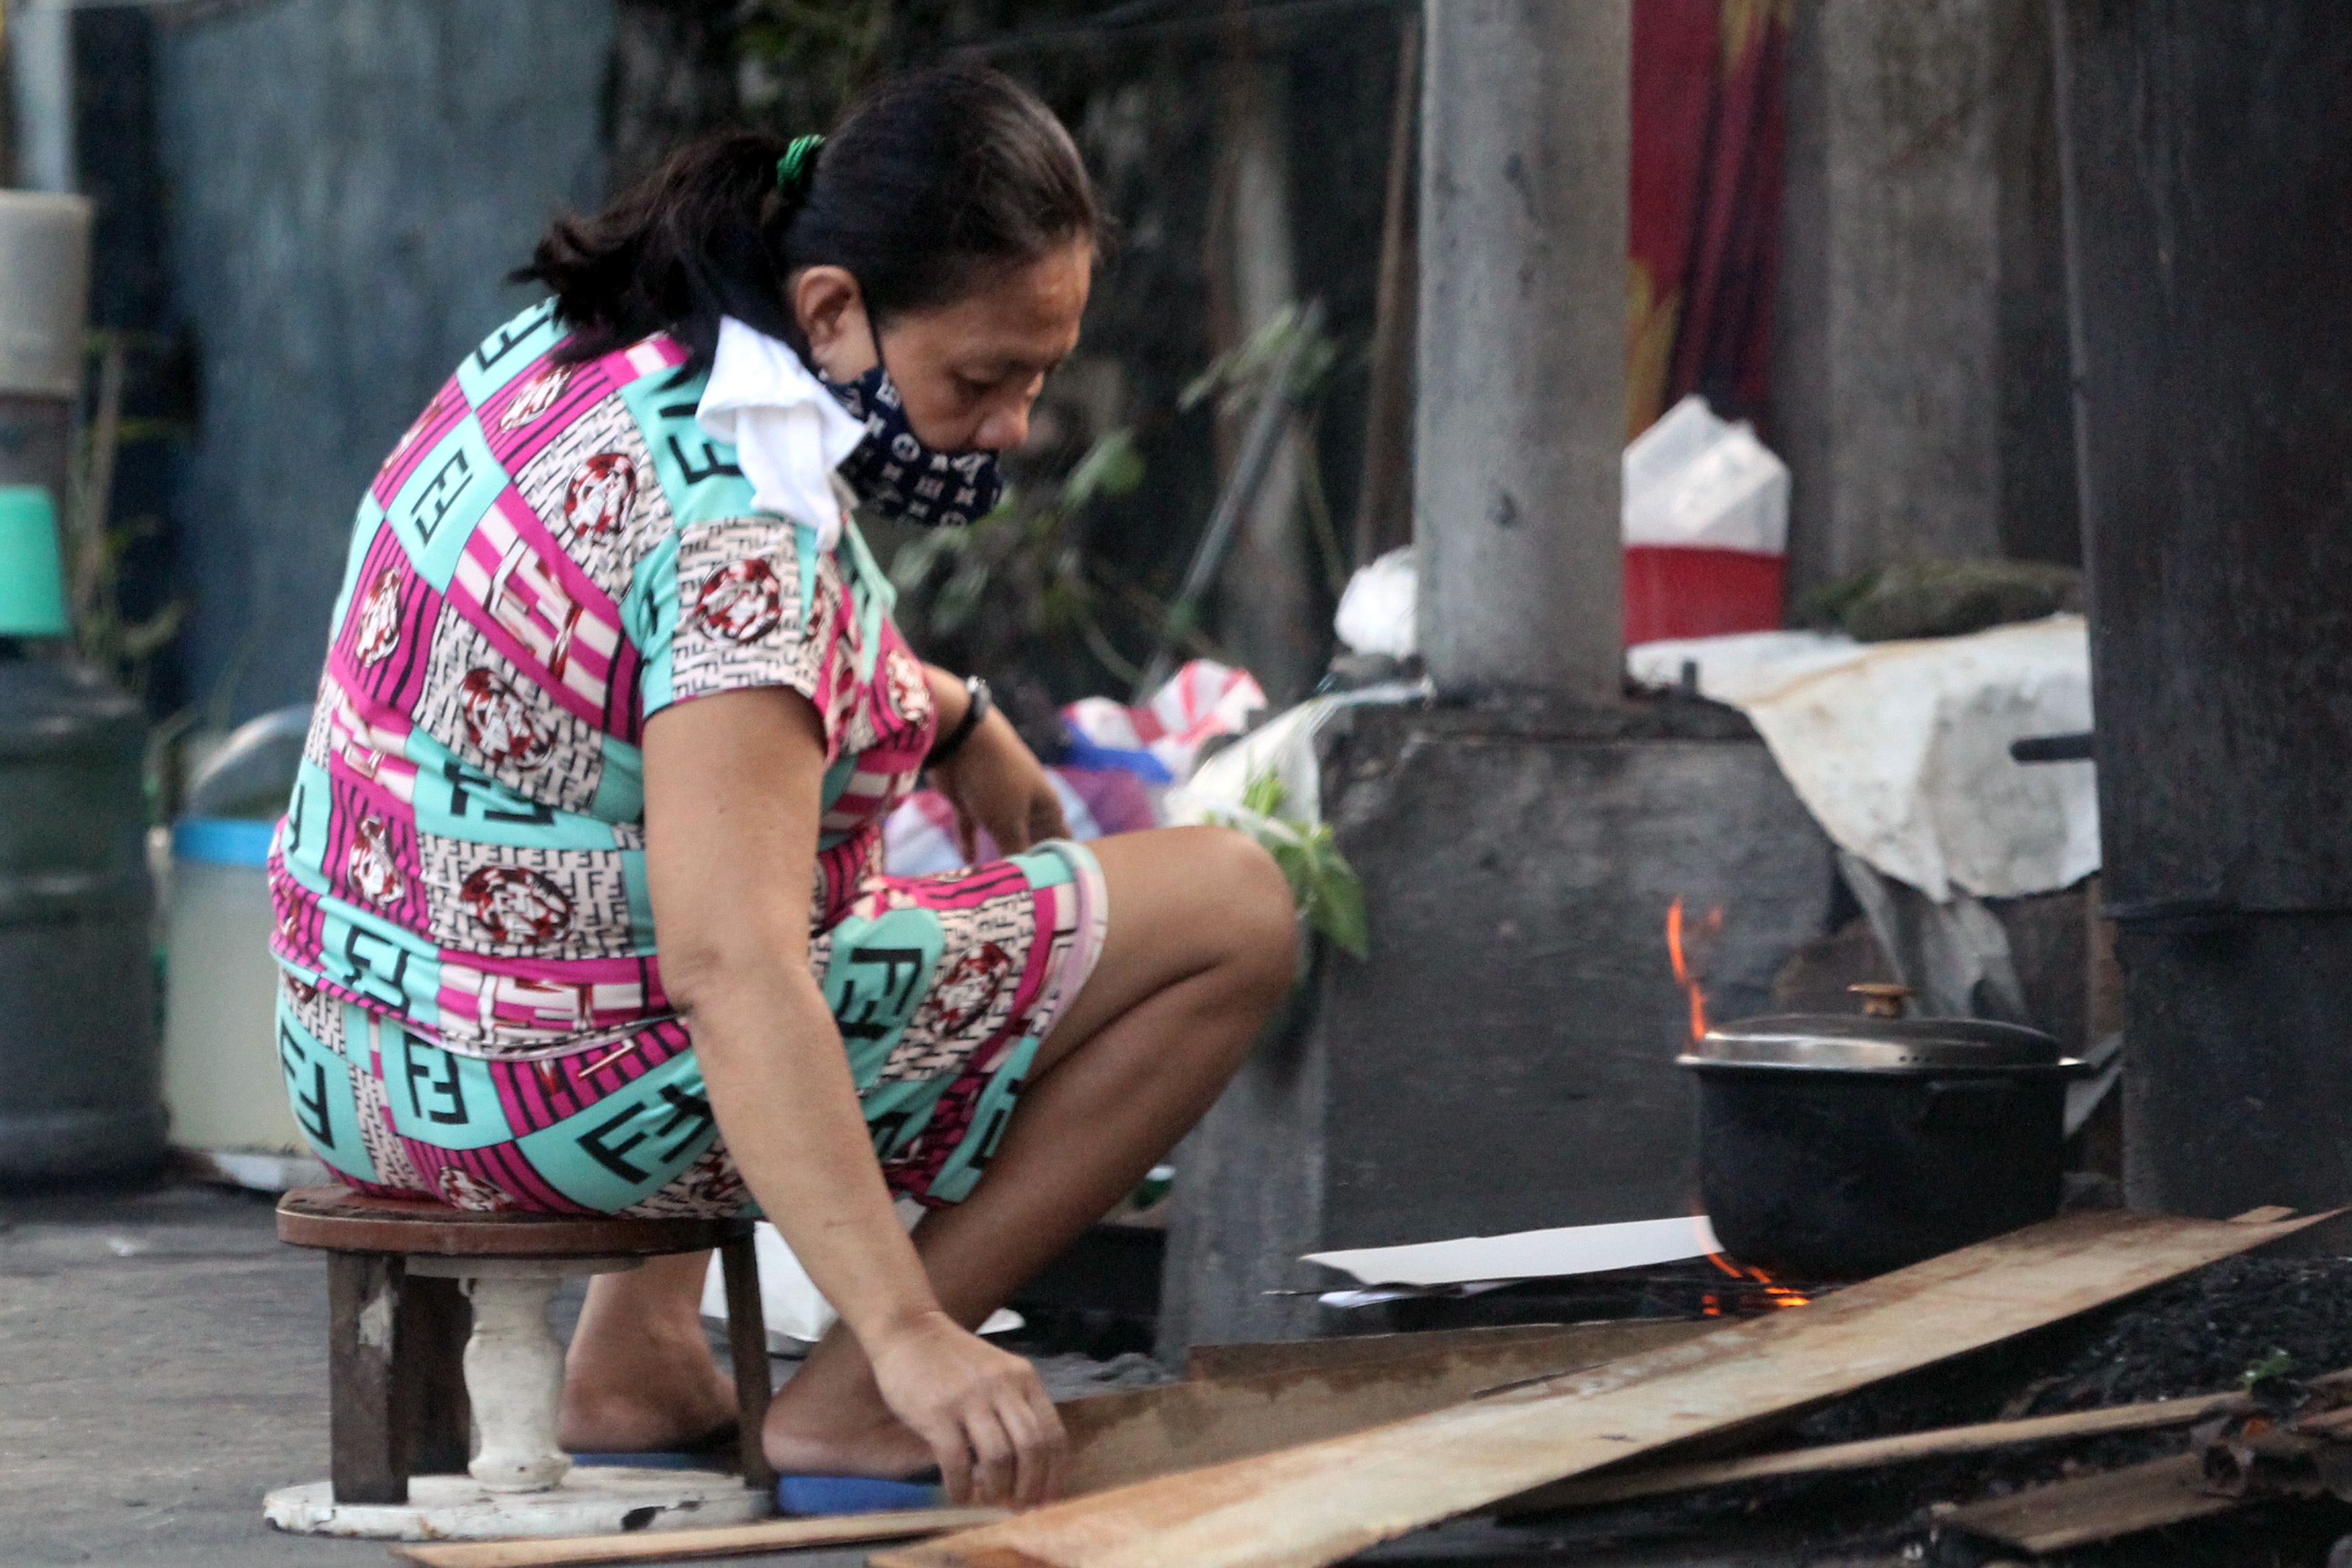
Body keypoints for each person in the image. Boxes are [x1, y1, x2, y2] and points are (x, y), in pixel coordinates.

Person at [267, 64, 1296, 1509]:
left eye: (1041, 380)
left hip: (355, 1050)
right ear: (832, 312)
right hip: (530, 1099)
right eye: (985, 377)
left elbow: (685, 694)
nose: (1012, 426)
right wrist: (910, 1331)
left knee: (726, 840)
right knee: (1234, 908)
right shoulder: (740, 535)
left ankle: (636, 1360)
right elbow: (729, 964)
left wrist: (954, 716)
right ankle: (864, 1403)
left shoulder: (601, 345)